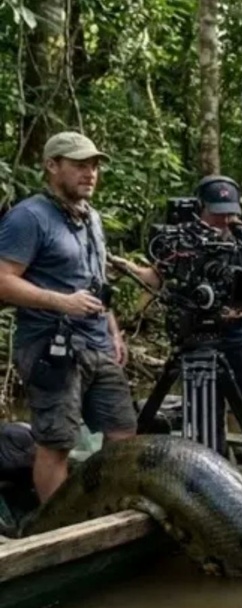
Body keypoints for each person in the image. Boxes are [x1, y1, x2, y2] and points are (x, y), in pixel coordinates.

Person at [0, 132, 138, 502]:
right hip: (50, 346)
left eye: (93, 165)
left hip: (97, 343)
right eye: (79, 165)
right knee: (57, 442)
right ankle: (58, 531)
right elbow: (2, 281)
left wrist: (114, 331)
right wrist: (61, 302)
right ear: (52, 166)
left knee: (123, 431)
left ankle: (108, 509)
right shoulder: (28, 217)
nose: (90, 173)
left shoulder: (91, 217)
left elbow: (94, 282)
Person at [111, 175, 242, 468]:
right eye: (217, 212)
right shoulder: (182, 240)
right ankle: (211, 477)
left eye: (230, 212)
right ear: (201, 207)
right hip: (197, 337)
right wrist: (130, 270)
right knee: (204, 420)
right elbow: (158, 277)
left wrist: (241, 311)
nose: (224, 219)